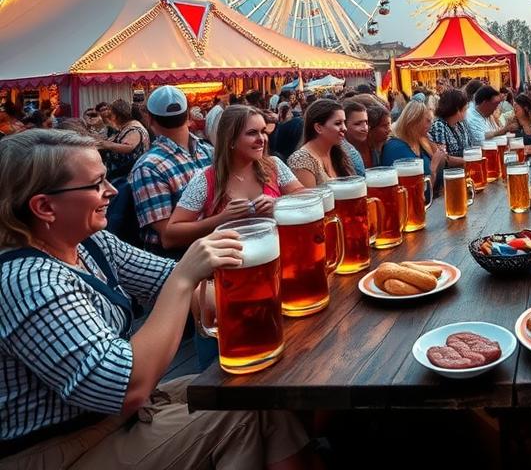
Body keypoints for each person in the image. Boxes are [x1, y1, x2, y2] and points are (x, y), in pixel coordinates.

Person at [0, 130, 310, 468]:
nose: (113, 190)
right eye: (96, 183)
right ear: (44, 206)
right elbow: (127, 386)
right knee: (242, 408)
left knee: (257, 393)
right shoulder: (28, 281)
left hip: (116, 417)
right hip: (62, 447)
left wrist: (276, 296)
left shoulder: (91, 243)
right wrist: (185, 276)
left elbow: (183, 287)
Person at [164, 106, 303, 249]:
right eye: (252, 133)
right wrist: (221, 219)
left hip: (276, 256)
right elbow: (170, 237)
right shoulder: (206, 178)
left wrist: (278, 205)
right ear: (230, 140)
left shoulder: (274, 166)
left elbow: (306, 199)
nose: (262, 139)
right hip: (233, 264)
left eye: (263, 131)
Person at [130, 87, 212, 257]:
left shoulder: (206, 150)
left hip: (205, 251)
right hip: (177, 261)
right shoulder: (149, 167)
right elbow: (169, 237)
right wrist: (224, 219)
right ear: (189, 115)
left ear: (150, 119)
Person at [287, 99, 354, 188]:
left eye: (344, 123)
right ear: (318, 128)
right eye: (338, 123)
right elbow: (310, 200)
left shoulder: (339, 151)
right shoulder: (302, 160)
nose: (344, 128)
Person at [382, 100, 447, 189]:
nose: (431, 125)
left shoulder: (421, 141)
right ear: (414, 122)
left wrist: (441, 156)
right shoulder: (395, 148)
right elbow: (419, 193)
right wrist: (433, 167)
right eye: (428, 121)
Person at [97, 100, 150, 182]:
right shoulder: (126, 127)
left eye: (111, 114)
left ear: (117, 115)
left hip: (127, 178)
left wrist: (106, 144)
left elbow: (129, 147)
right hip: (120, 176)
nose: (110, 117)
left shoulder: (134, 129)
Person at [427, 89, 471, 166]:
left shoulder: (460, 124)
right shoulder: (439, 126)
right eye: (465, 108)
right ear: (457, 110)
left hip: (464, 171)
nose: (467, 110)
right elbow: (443, 158)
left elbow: (469, 148)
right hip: (450, 174)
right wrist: (468, 161)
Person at [341, 100, 369, 175]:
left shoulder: (371, 145)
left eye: (366, 122)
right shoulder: (350, 152)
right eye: (357, 124)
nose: (365, 128)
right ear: (344, 126)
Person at [360, 101, 391, 169]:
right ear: (370, 128)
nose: (389, 130)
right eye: (384, 126)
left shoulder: (385, 147)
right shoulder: (359, 152)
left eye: (389, 125)